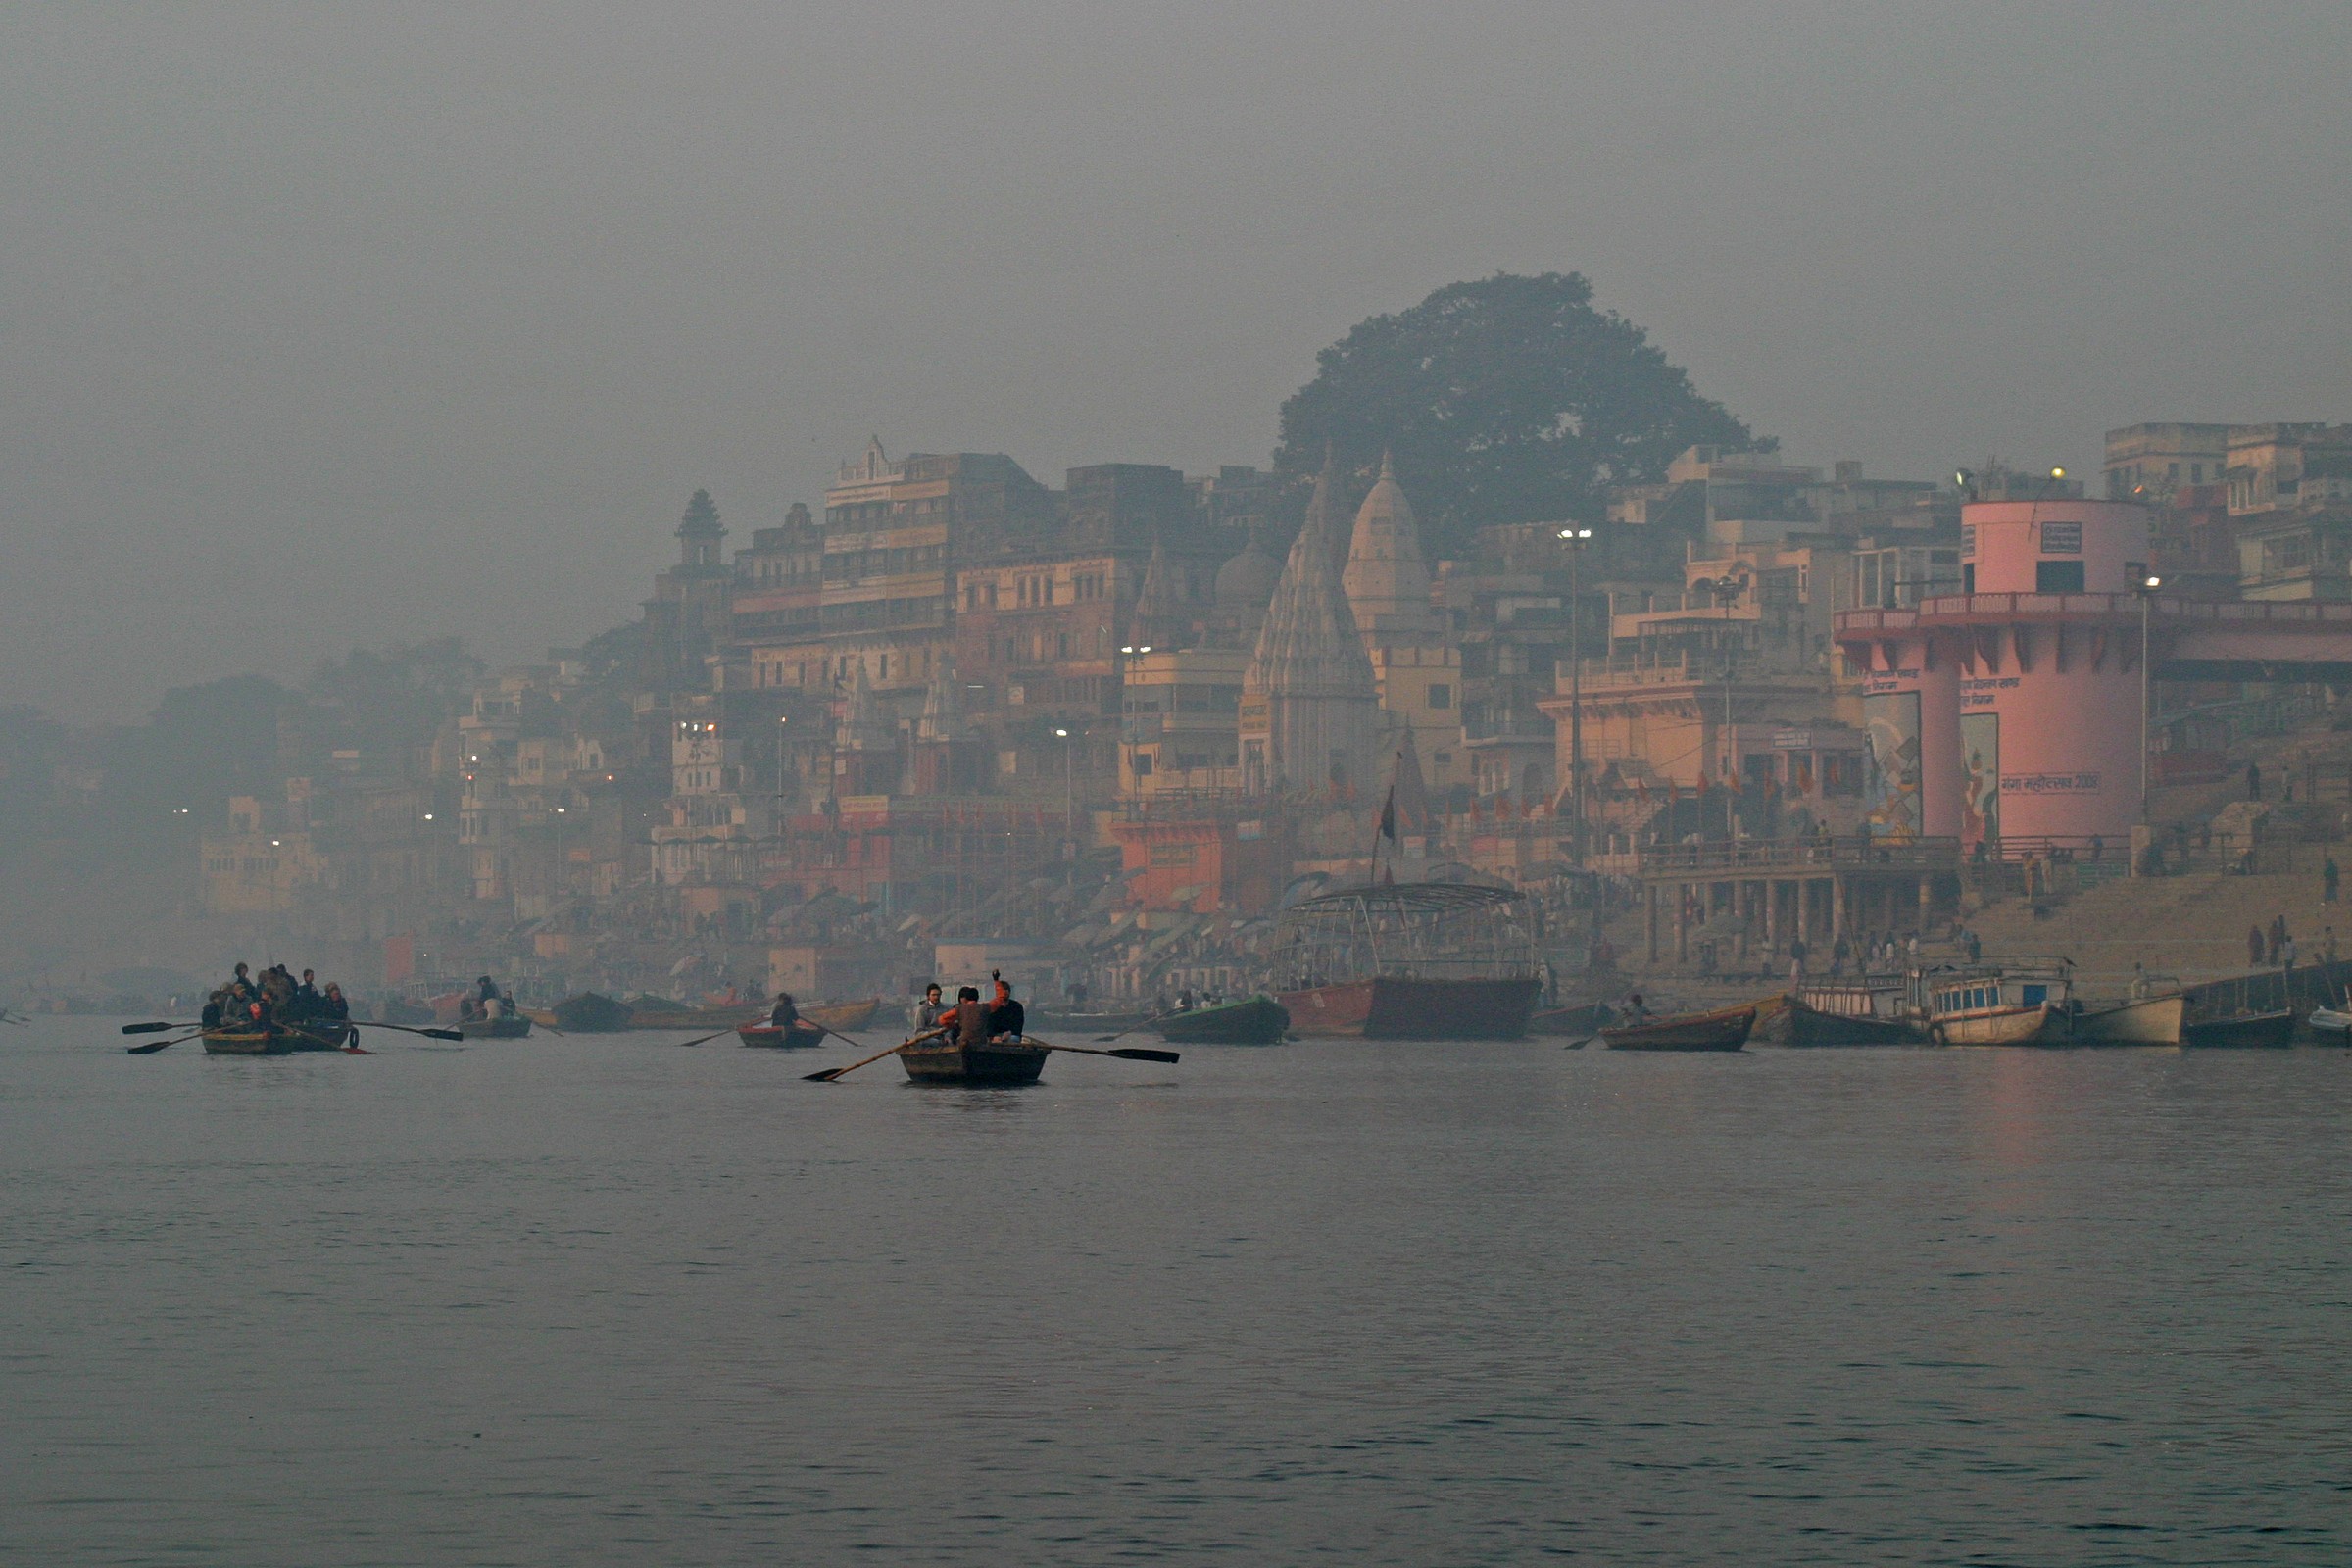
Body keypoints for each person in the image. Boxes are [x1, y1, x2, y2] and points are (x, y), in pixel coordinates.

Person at [990, 976, 1026, 1042]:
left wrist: (1010, 1032)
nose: (1005, 992)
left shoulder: (1017, 1006)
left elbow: (1019, 1025)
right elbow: (988, 1025)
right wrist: (993, 1036)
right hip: (996, 1036)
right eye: (1002, 990)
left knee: (1013, 1039)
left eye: (1007, 989)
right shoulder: (992, 1006)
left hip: (1012, 1035)